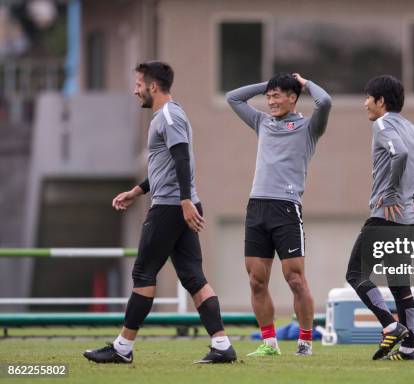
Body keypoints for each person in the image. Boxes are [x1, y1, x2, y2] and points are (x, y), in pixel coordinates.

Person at [84, 61, 236, 364]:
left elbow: (182, 160)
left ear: (153, 86)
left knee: (143, 273)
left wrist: (183, 202)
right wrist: (137, 191)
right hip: (176, 204)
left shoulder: (167, 116)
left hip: (170, 207)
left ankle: (122, 349)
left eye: (139, 84)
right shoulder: (169, 115)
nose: (135, 90)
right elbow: (165, 166)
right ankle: (222, 345)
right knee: (193, 277)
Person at [226, 73, 332, 356]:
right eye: (269, 97)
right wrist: (268, 84)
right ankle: (269, 342)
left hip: (285, 208)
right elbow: (233, 97)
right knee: (256, 279)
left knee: (295, 279)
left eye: (277, 95)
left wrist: (304, 83)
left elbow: (326, 101)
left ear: (293, 98)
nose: (271, 101)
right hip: (256, 208)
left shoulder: (310, 128)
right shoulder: (261, 122)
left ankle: (305, 341)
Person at [345, 75, 414, 361]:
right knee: (399, 283)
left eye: (368, 97)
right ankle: (409, 348)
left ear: (380, 101)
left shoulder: (382, 124)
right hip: (409, 220)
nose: (365, 103)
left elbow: (399, 154)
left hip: (385, 217)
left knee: (356, 275)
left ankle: (391, 325)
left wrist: (391, 194)